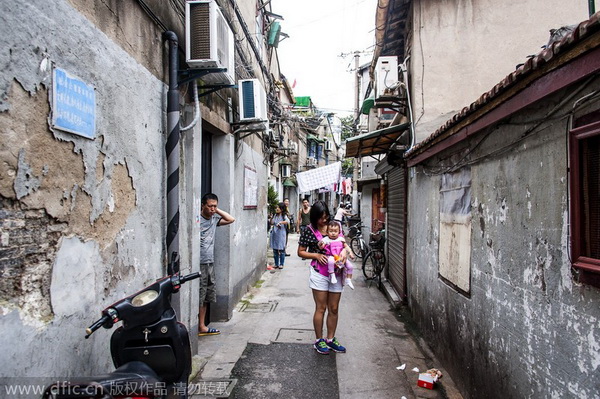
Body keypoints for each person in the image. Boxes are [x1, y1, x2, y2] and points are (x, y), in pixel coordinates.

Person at [298, 200, 349, 355]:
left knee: (334, 308)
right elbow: (300, 251)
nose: (324, 220)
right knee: (321, 308)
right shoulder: (309, 230)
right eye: (321, 217)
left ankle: (330, 339)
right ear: (314, 217)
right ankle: (319, 340)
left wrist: (345, 253)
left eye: (326, 216)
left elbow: (343, 244)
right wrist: (316, 255)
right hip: (319, 273)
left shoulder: (334, 227)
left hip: (337, 273)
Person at [198, 193, 235, 336]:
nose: (213, 209)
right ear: (203, 205)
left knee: (207, 295)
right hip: (199, 263)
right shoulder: (197, 219)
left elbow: (231, 219)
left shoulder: (214, 220)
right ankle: (197, 325)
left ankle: (202, 325)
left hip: (210, 263)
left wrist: (216, 210)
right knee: (199, 296)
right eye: (210, 206)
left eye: (215, 206)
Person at [318, 221, 355, 289]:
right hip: (331, 256)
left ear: (339, 232)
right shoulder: (326, 239)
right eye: (331, 231)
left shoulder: (341, 239)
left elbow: (346, 246)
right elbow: (321, 246)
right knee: (331, 261)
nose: (333, 233)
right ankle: (332, 274)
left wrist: (350, 252)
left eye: (335, 231)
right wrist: (320, 244)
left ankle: (348, 279)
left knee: (350, 266)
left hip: (340, 258)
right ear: (327, 232)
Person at [270, 202, 290, 269]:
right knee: (275, 250)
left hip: (281, 234)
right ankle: (276, 264)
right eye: (276, 207)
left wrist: (281, 222)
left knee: (281, 250)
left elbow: (288, 221)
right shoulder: (275, 215)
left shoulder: (284, 216)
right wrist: (271, 217)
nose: (277, 209)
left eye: (278, 207)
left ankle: (281, 264)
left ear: (282, 209)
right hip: (275, 234)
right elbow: (272, 223)